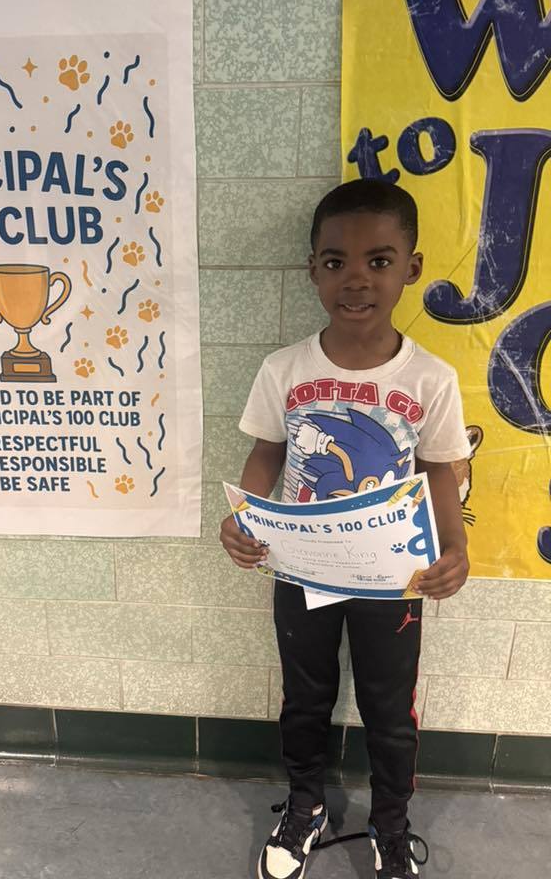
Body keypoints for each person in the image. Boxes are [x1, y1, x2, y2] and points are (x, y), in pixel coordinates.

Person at [219, 179, 471, 879]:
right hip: (300, 567)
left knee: (391, 712)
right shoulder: (285, 369)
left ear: (412, 269)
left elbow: (441, 468)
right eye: (335, 262)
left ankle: (390, 825)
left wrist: (456, 548)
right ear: (313, 270)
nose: (355, 279)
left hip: (395, 577)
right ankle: (307, 805)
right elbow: (269, 450)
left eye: (379, 261)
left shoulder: (430, 378)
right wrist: (243, 518)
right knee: (305, 699)